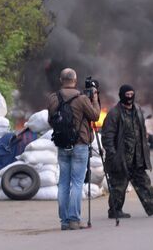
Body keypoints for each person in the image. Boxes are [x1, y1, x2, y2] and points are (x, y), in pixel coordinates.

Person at [101, 84, 153, 219]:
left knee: (143, 181)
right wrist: (113, 154)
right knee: (119, 186)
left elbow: (142, 129)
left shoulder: (137, 110)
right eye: (127, 95)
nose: (129, 97)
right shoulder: (114, 114)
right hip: (121, 157)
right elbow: (107, 136)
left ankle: (152, 205)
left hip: (137, 156)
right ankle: (115, 211)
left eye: (131, 94)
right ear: (121, 96)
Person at [47, 68, 101, 231]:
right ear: (75, 80)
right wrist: (96, 99)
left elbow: (51, 121)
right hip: (80, 143)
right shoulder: (82, 98)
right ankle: (74, 220)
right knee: (77, 182)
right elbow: (95, 116)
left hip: (62, 144)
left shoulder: (53, 98)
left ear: (60, 79)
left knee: (63, 182)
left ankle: (64, 222)